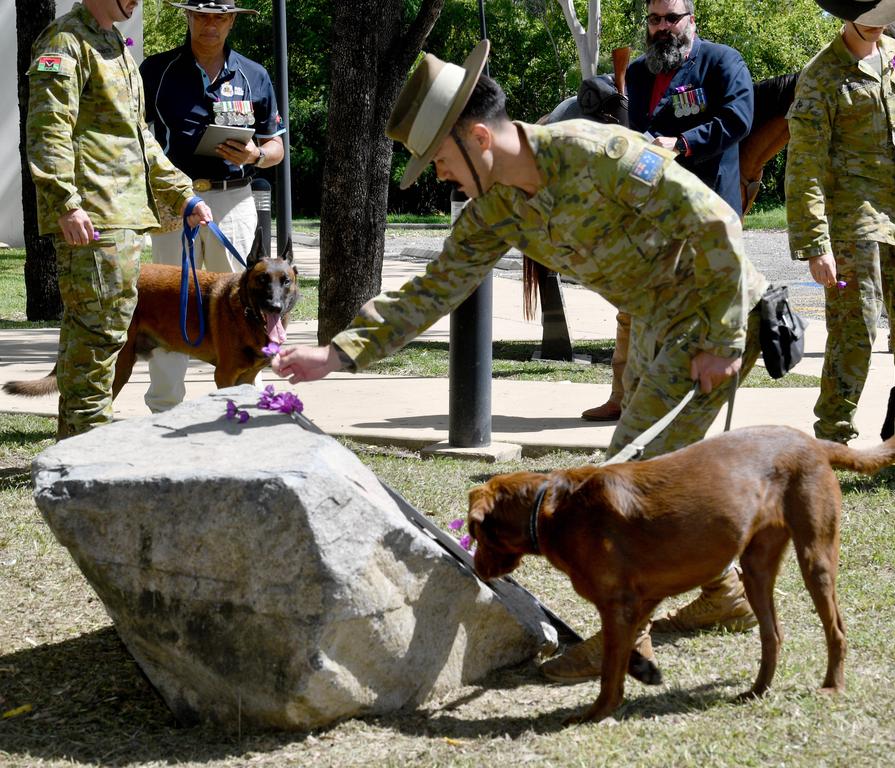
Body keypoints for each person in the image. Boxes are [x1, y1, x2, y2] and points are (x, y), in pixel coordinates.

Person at [272, 42, 768, 681]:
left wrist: (723, 340)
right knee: (653, 474)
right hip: (656, 324)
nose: (442, 176)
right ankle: (723, 592)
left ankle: (626, 635)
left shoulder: (599, 153)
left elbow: (715, 223)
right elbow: (436, 285)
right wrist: (338, 352)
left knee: (625, 483)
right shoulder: (498, 207)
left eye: (442, 160)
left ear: (479, 137)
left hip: (709, 314)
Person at [26, 0, 212, 439]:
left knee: (88, 337)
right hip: (93, 215)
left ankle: (73, 448)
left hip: (123, 214)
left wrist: (182, 193)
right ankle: (90, 447)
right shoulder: (65, 41)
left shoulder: (115, 44)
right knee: (101, 336)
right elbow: (48, 127)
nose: (134, 1)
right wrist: (65, 201)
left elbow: (139, 136)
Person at [785, 0, 895, 465]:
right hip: (852, 224)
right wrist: (814, 243)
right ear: (850, 13)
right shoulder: (822, 75)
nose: (881, 22)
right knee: (854, 330)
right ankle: (833, 443)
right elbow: (803, 167)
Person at [581, 0, 753, 423]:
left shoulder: (721, 61)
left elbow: (739, 117)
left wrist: (683, 142)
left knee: (702, 311)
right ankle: (625, 396)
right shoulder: (639, 72)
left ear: (691, 20)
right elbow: (639, 133)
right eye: (655, 20)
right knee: (639, 305)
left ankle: (691, 406)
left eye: (671, 18)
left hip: (706, 208)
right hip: (652, 210)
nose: (662, 27)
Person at [139, 0, 285, 412]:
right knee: (173, 306)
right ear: (187, 16)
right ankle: (164, 412)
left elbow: (277, 147)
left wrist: (255, 155)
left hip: (233, 198)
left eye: (220, 17)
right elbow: (134, 135)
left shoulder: (253, 74)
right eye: (202, 15)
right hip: (174, 202)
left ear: (233, 21)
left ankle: (236, 407)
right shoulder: (156, 70)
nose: (210, 25)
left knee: (241, 308)